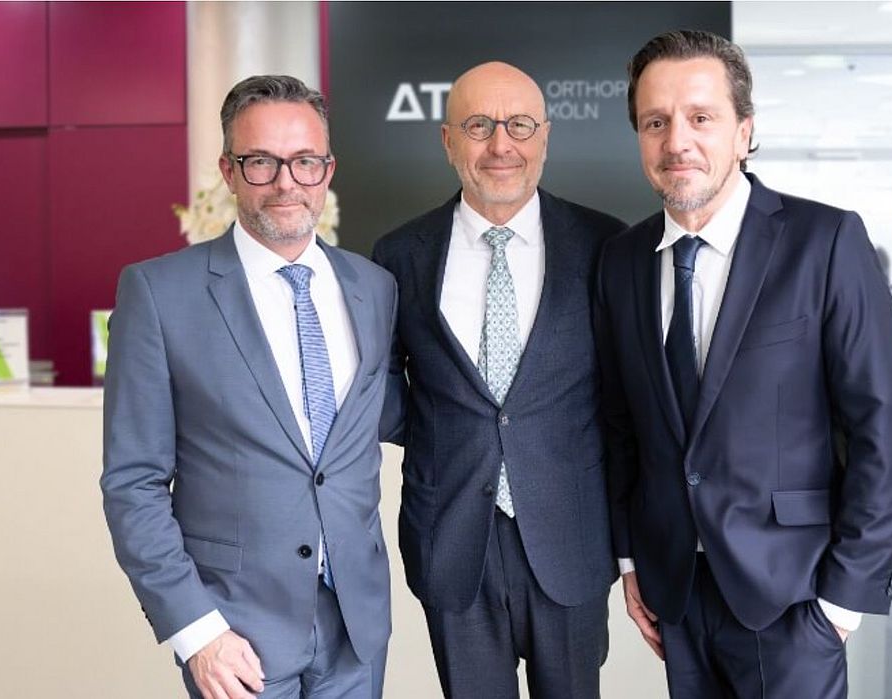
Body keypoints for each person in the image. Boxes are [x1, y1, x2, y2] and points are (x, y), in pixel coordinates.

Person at [595, 30, 892, 698]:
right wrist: (630, 558)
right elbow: (621, 424)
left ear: (744, 132)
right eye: (656, 122)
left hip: (794, 595)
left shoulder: (825, 241)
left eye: (701, 118)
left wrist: (842, 601)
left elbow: (882, 427)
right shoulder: (621, 262)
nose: (677, 141)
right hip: (676, 592)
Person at [101, 75, 400, 699]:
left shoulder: (373, 288)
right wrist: (197, 631)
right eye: (261, 161)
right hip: (234, 633)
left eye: (305, 161)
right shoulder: (159, 293)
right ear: (228, 171)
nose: (286, 182)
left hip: (357, 627)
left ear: (328, 169)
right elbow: (134, 483)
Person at [372, 61, 625, 698]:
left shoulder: (605, 246)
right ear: (448, 139)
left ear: (545, 136)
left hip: (570, 537)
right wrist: (443, 434)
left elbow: (625, 395)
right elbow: (384, 385)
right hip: (453, 539)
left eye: (519, 126)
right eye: (479, 126)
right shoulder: (399, 255)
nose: (501, 145)